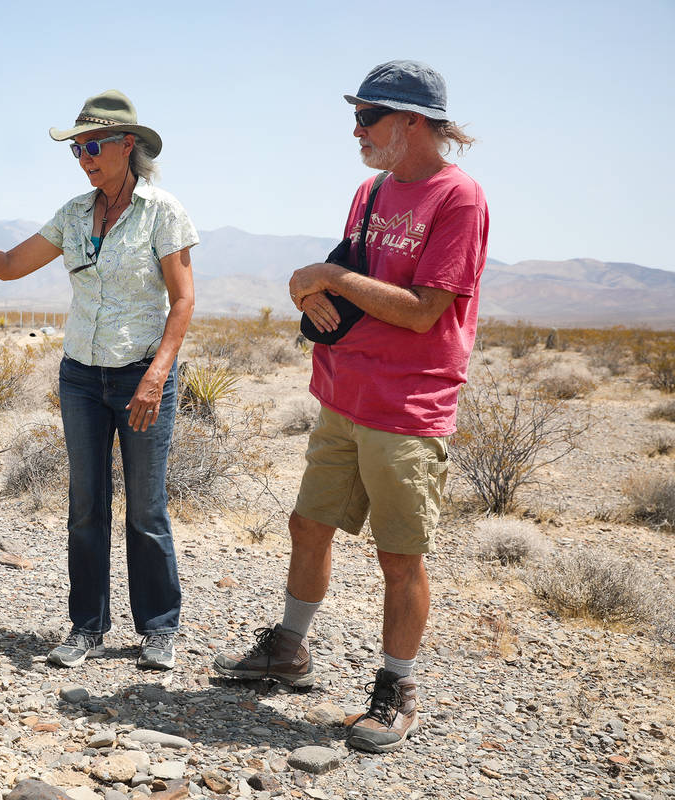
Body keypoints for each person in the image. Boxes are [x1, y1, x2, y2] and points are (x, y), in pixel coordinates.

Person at [213, 60, 488, 753]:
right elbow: (357, 289)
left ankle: (396, 689)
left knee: (400, 556)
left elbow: (427, 312)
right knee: (310, 525)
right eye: (357, 115)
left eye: (368, 117)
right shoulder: (369, 194)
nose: (356, 130)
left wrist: (331, 276)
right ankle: (290, 650)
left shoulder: (458, 199)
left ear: (413, 123)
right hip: (341, 394)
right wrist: (312, 293)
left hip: (407, 406)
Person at [0, 89, 197, 671]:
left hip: (142, 375)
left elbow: (184, 300)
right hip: (82, 379)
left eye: (92, 145)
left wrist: (156, 376)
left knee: (146, 508)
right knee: (85, 506)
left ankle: (158, 630)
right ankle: (86, 628)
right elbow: (9, 266)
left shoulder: (164, 211)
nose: (83, 156)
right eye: (77, 149)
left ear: (126, 146)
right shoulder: (72, 213)